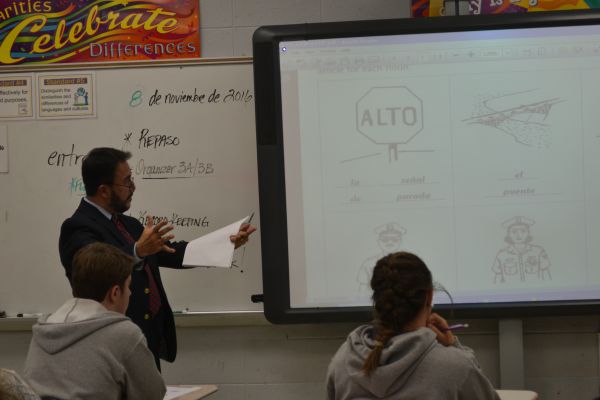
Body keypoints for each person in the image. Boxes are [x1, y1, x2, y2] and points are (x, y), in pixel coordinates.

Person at [58, 147, 256, 367]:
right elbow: (94, 269)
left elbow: (173, 253)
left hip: (144, 338)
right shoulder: (78, 227)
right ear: (104, 190)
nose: (133, 188)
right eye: (126, 182)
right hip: (110, 344)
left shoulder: (129, 224)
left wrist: (224, 243)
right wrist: (137, 251)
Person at [327, 251, 500, 400]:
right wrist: (454, 346)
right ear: (430, 297)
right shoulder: (455, 367)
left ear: (379, 300)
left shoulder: (342, 362)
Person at [24, 242, 165, 400]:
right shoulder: (124, 334)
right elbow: (153, 395)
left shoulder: (42, 329)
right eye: (128, 286)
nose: (130, 293)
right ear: (115, 293)